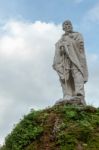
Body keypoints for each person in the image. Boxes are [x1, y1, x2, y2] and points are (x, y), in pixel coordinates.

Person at [53, 20, 88, 104]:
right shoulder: (61, 39)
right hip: (65, 60)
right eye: (65, 25)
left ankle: (79, 94)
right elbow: (58, 48)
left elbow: (80, 46)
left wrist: (69, 42)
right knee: (66, 76)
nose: (68, 26)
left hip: (75, 58)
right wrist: (61, 46)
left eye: (69, 24)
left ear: (71, 26)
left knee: (77, 73)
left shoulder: (77, 35)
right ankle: (68, 94)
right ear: (63, 28)